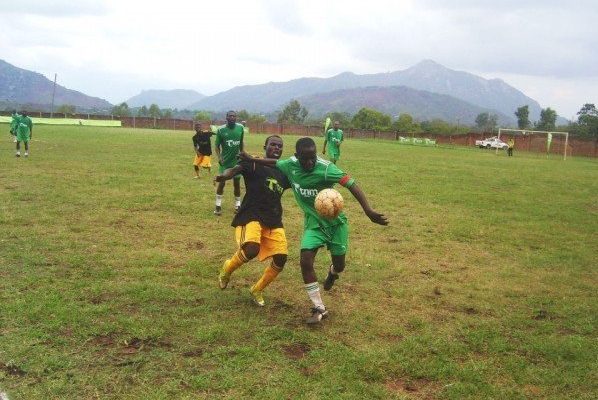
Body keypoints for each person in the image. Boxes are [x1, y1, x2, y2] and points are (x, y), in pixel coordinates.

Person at [240, 137, 388, 324]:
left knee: (340, 265)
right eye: (305, 159)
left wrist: (368, 211)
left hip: (336, 225)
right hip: (313, 225)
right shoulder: (290, 165)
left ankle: (332, 273)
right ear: (297, 156)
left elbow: (351, 184)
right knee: (305, 260)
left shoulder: (326, 169)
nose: (310, 163)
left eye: (313, 158)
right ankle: (319, 307)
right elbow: (273, 162)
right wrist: (251, 158)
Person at [215, 135, 290, 306]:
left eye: (280, 146)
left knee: (281, 258)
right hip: (252, 214)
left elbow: (301, 182)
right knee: (252, 249)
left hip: (273, 218)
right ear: (265, 146)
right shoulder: (253, 163)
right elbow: (234, 170)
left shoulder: (283, 172)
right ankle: (227, 269)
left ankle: (257, 289)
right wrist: (223, 176)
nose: (277, 148)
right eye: (273, 145)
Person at [214, 111, 244, 215]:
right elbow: (216, 146)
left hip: (236, 161)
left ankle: (238, 205)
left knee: (237, 184)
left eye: (234, 116)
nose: (232, 117)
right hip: (225, 162)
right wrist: (219, 157)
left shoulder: (240, 128)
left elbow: (241, 143)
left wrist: (242, 154)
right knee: (222, 183)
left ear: (236, 118)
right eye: (230, 116)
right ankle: (217, 206)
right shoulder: (221, 130)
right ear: (226, 117)